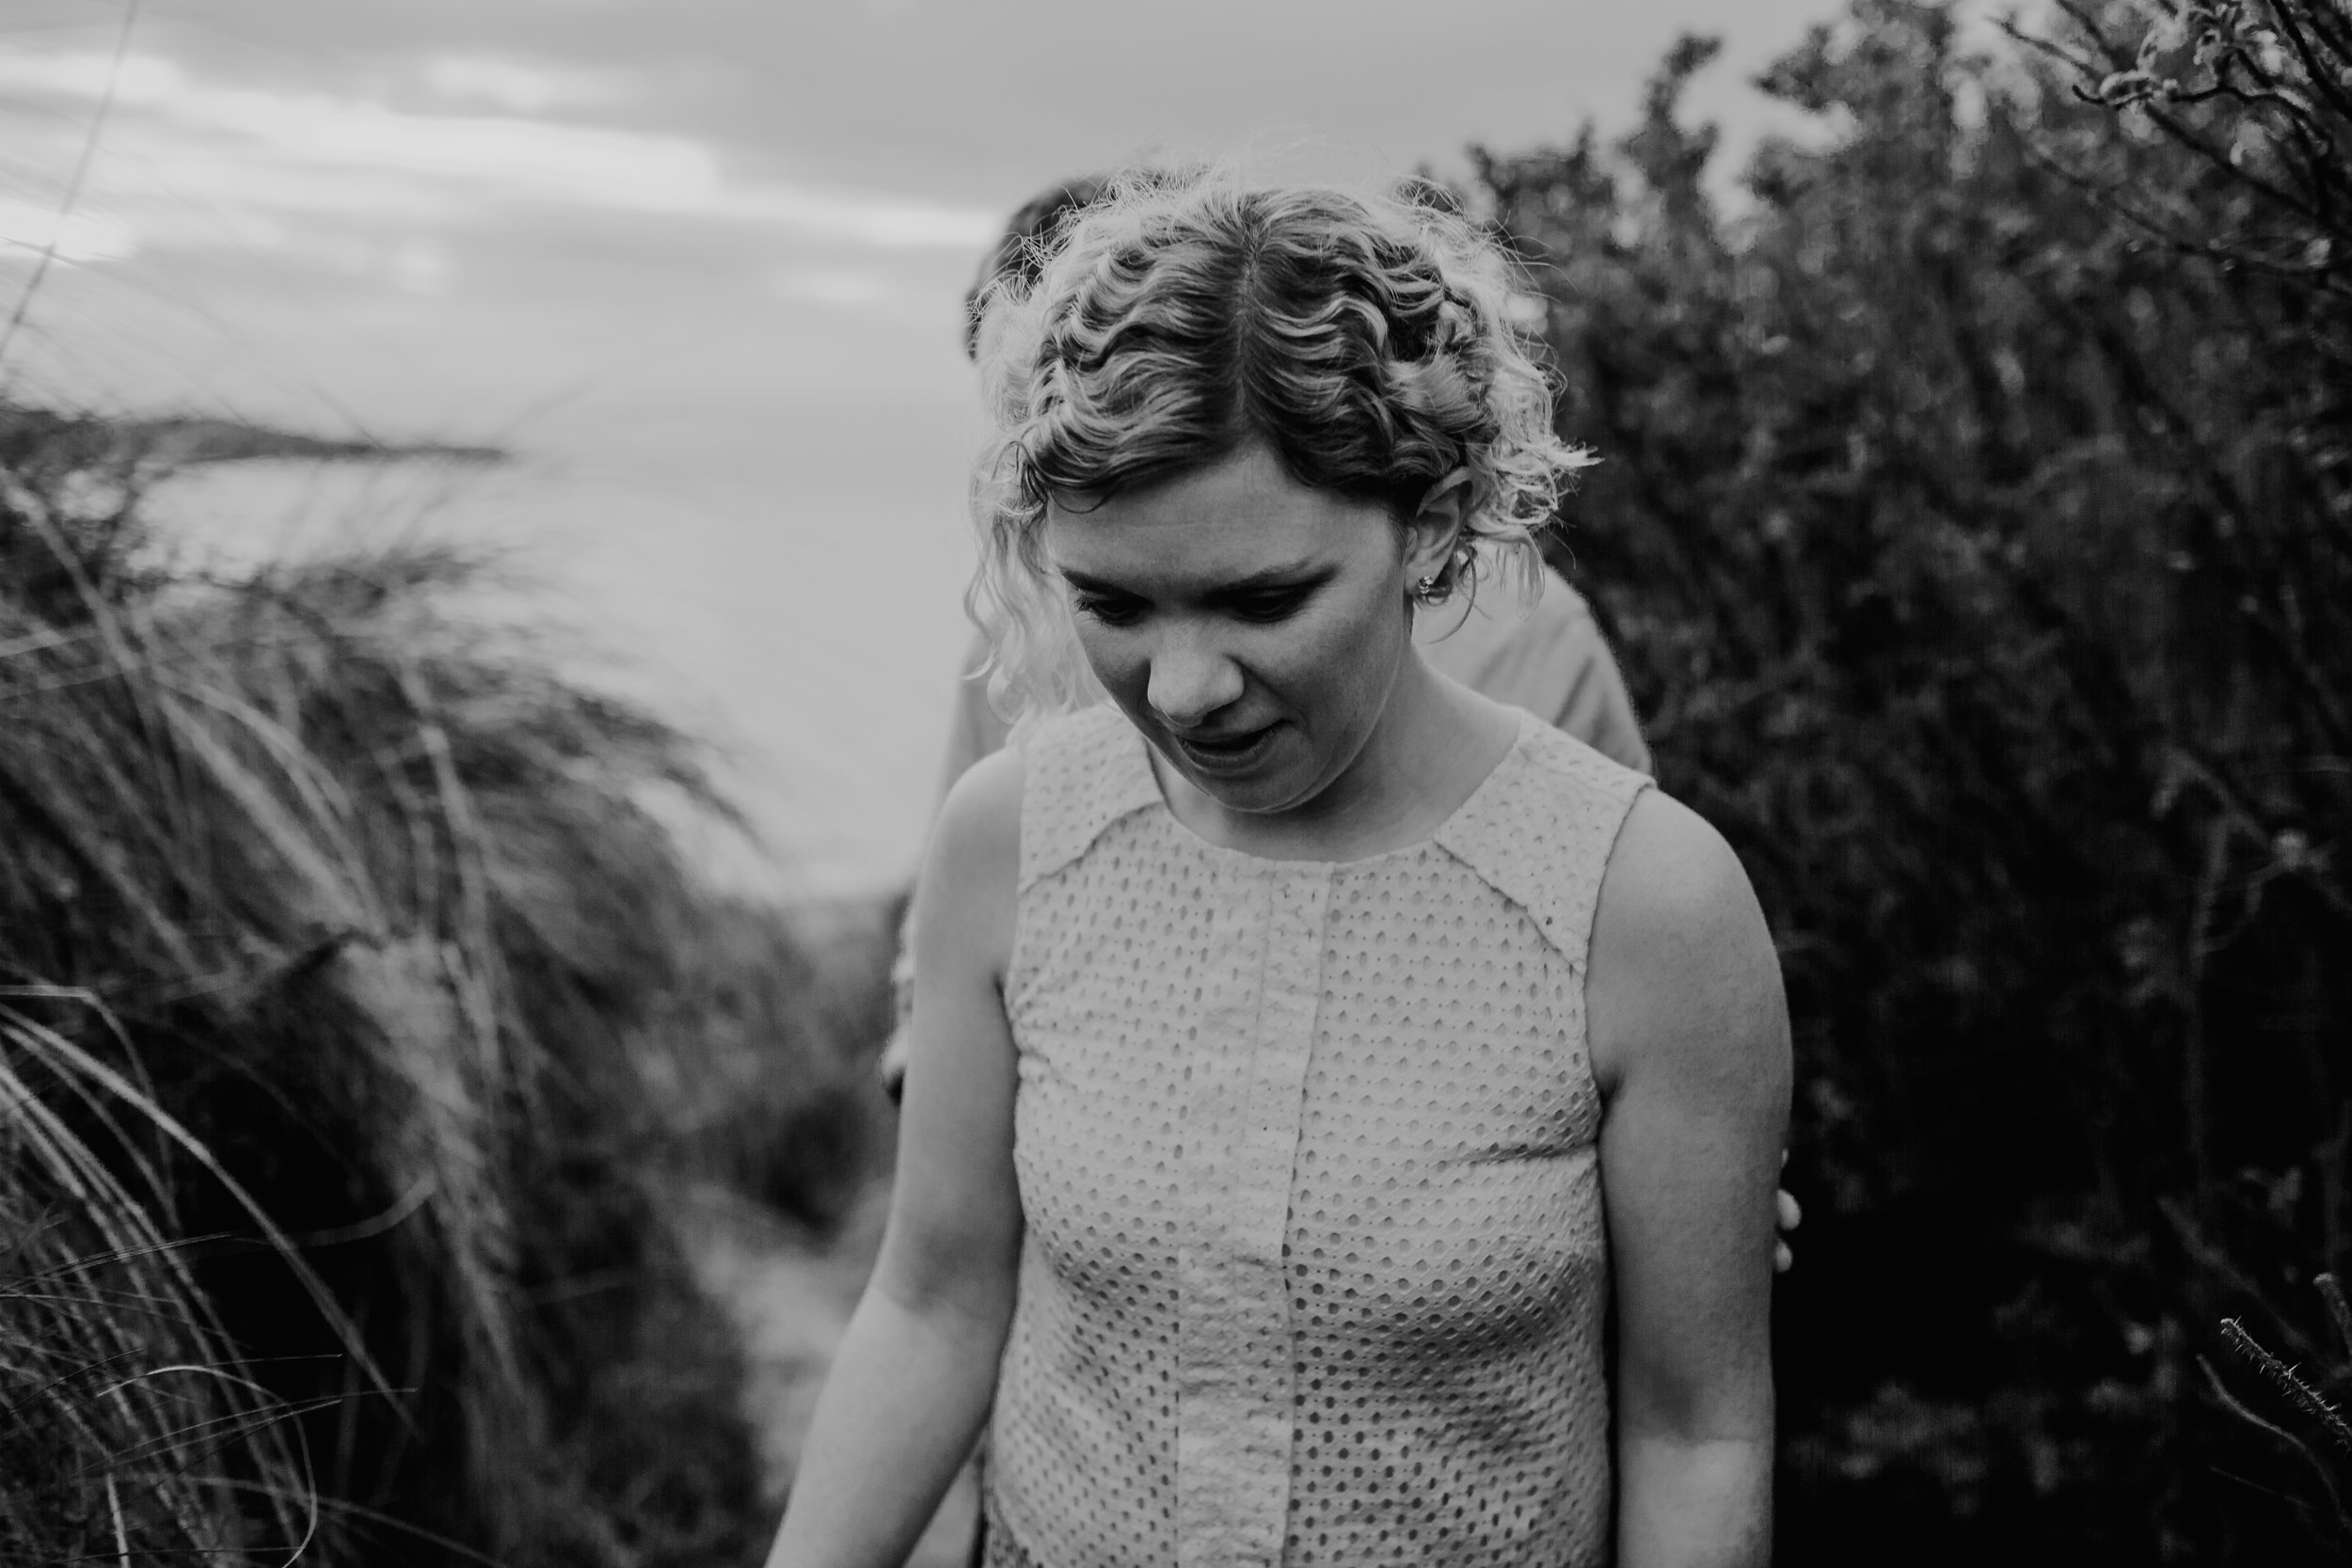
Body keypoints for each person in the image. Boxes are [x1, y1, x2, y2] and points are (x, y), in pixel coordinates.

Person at [770, 172, 1791, 1568]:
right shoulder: (1008, 837)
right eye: (1113, 604)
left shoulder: (1647, 901)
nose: (1183, 691)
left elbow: (1696, 1434)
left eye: (1265, 600)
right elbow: (934, 1301)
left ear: (1430, 521)